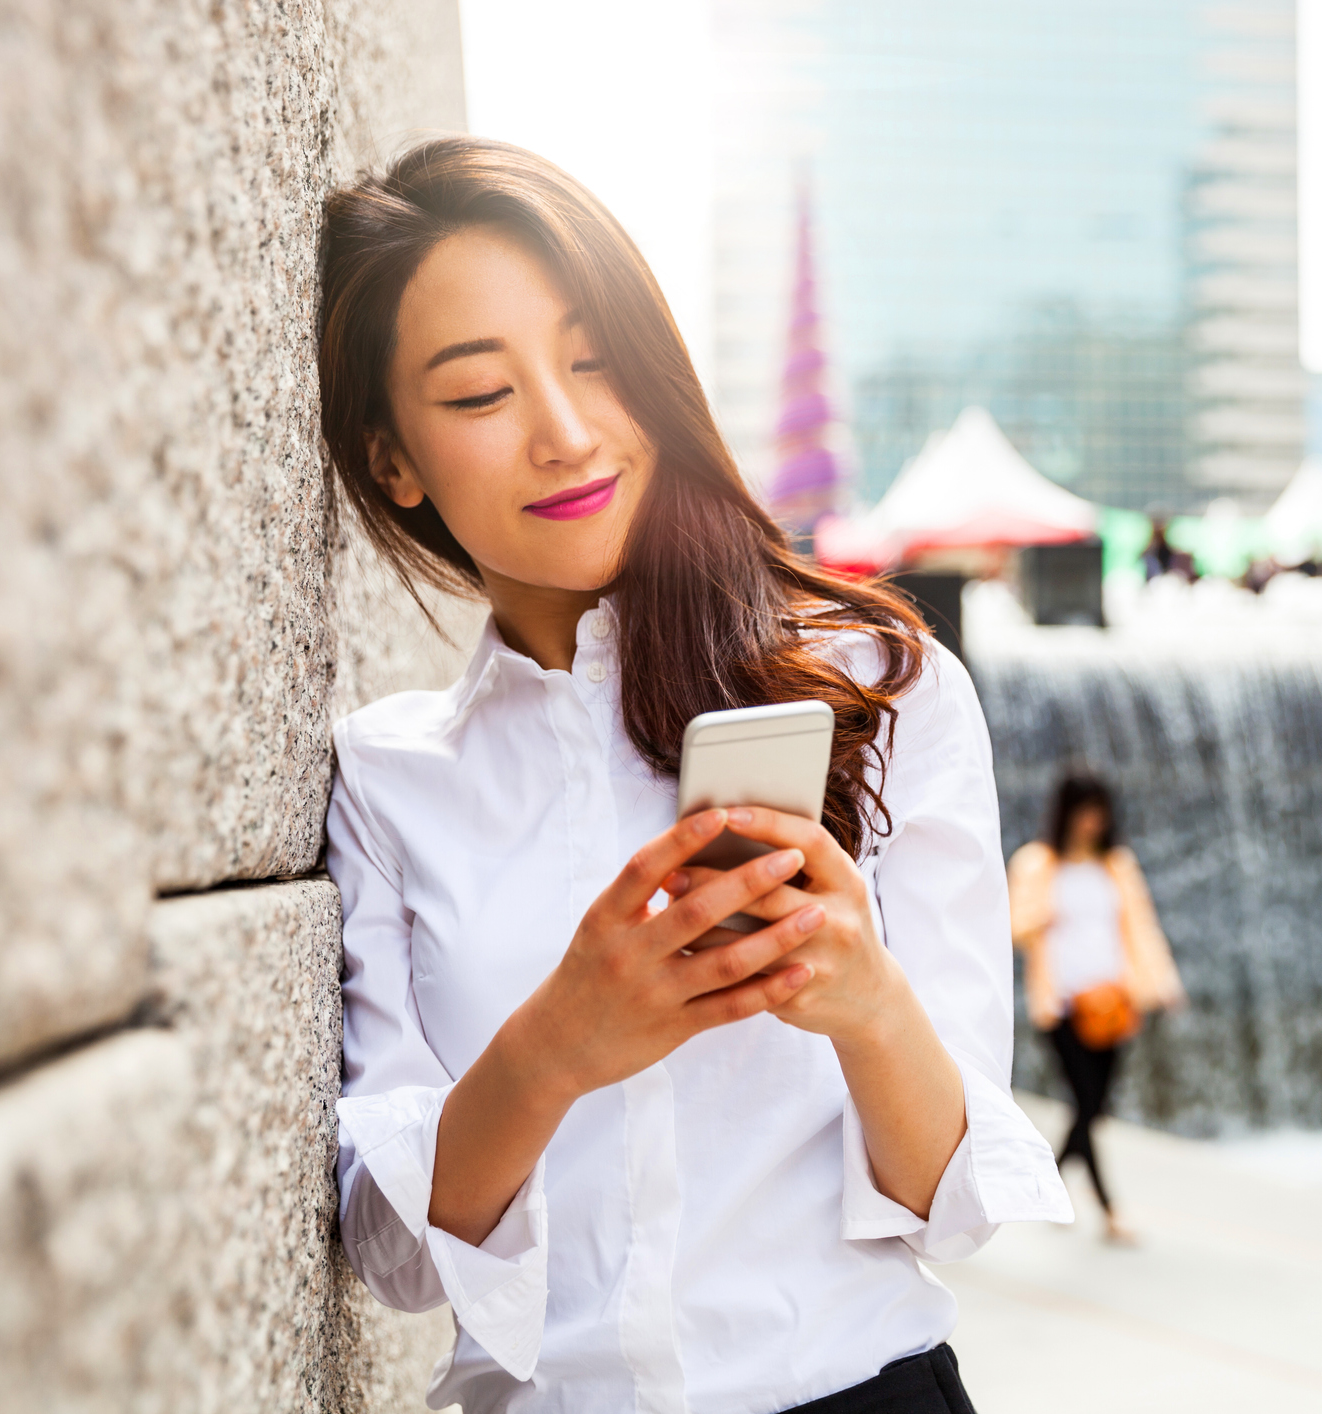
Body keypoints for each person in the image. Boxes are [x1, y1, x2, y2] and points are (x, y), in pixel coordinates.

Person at [316, 137, 1071, 1414]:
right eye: (480, 394)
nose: (565, 434)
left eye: (592, 358)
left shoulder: (878, 688)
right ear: (395, 459)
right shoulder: (390, 781)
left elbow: (959, 1202)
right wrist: (560, 1040)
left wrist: (863, 999)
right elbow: (388, 1256)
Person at [1007, 771, 1183, 1243]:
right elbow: (1010, 924)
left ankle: (1052, 1186)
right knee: (1087, 1104)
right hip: (1062, 1007)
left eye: (1099, 811)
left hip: (1114, 1002)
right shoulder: (1037, 864)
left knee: (1092, 1109)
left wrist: (1163, 983)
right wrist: (1042, 913)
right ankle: (1109, 1212)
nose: (1093, 821)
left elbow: (1141, 927)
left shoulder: (1117, 865)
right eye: (1085, 810)